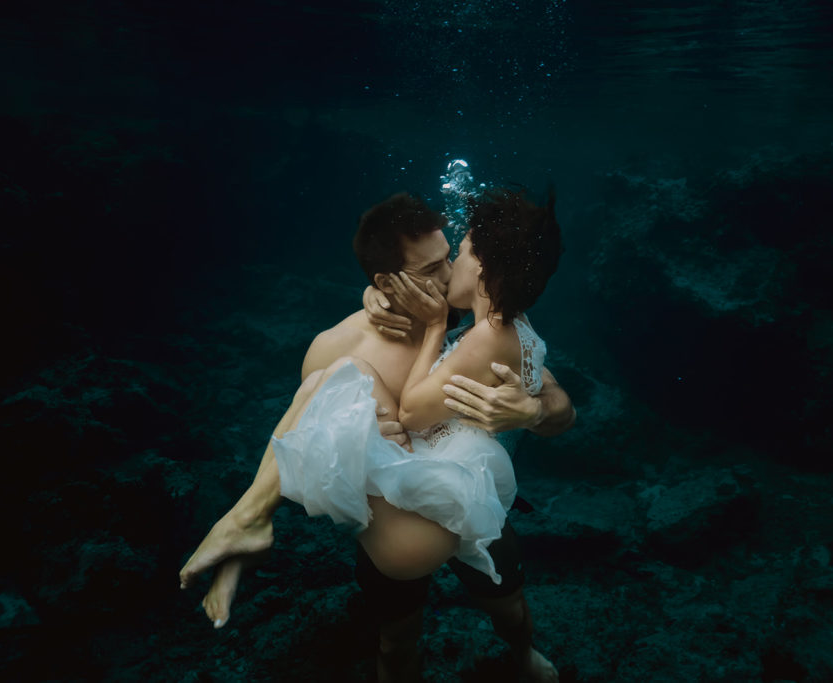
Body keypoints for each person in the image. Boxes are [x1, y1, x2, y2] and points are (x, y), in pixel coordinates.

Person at [180, 191, 574, 682]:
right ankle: (239, 543)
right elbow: (303, 458)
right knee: (396, 640)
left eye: (451, 257)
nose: (450, 274)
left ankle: (522, 658)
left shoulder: (460, 318)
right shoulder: (336, 346)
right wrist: (363, 432)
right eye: (432, 269)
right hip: (397, 515)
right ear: (387, 282)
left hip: (468, 495)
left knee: (510, 609)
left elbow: (547, 386)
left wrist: (534, 409)